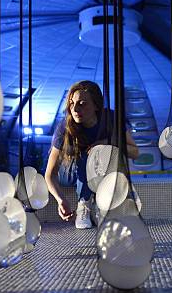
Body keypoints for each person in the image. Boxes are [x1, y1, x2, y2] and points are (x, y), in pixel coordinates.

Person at [45, 80, 139, 229]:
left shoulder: (112, 119)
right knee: (86, 153)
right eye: (71, 103)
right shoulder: (65, 126)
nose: (75, 109)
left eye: (82, 103)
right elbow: (50, 174)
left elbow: (134, 152)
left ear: (96, 105)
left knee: (107, 151)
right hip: (69, 173)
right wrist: (61, 199)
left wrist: (108, 142)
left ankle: (105, 204)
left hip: (99, 171)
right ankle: (84, 202)